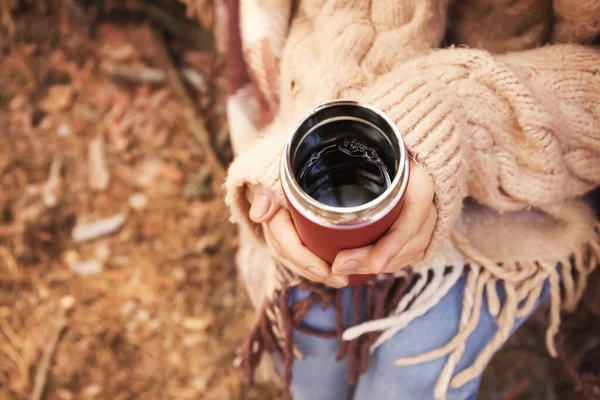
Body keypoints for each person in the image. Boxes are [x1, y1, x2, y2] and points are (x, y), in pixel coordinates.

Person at [221, 0, 600, 398]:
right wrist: (330, 118)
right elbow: (343, 14)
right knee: (307, 324)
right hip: (356, 101)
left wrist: (453, 114)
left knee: (412, 368)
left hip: (532, 178)